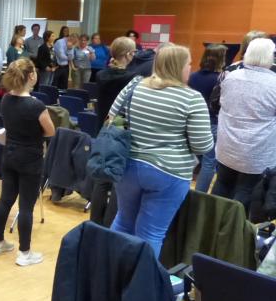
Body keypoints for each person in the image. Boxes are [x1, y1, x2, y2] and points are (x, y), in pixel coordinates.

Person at [108, 44, 213, 256]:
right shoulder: (191, 98)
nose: (191, 68)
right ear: (178, 66)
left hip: (127, 166)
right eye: (189, 63)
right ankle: (141, 276)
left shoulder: (134, 86)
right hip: (168, 173)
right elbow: (202, 145)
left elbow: (111, 119)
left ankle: (110, 268)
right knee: (151, 233)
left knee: (123, 221)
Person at [0, 58, 55, 265]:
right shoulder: (36, 105)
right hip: (30, 159)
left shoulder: (6, 99)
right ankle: (24, 253)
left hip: (9, 155)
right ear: (31, 76)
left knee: (5, 200)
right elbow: (50, 131)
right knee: (26, 206)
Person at [212, 38, 276, 211]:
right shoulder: (274, 83)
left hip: (227, 146)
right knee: (246, 191)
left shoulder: (231, 77)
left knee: (222, 183)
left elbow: (218, 105)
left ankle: (212, 221)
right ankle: (232, 226)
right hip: (256, 152)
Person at [89, 36, 137, 227]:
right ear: (128, 54)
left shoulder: (101, 74)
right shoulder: (132, 78)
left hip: (102, 129)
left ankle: (95, 222)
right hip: (121, 132)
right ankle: (109, 224)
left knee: (101, 179)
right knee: (117, 181)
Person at [188, 44, 226, 192]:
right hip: (212, 123)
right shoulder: (221, 79)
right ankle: (199, 195)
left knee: (190, 157)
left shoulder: (192, 76)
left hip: (192, 122)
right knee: (209, 162)